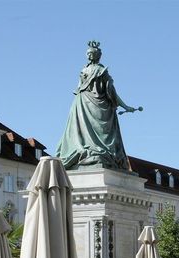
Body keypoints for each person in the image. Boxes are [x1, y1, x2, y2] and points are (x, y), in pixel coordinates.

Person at [56, 40, 141, 171]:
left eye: (92, 53)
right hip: (82, 103)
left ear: (98, 55)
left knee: (102, 131)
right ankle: (85, 151)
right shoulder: (83, 69)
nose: (90, 56)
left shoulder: (102, 71)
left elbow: (112, 92)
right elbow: (79, 87)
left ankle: (100, 153)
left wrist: (125, 106)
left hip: (98, 103)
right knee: (77, 131)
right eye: (88, 53)